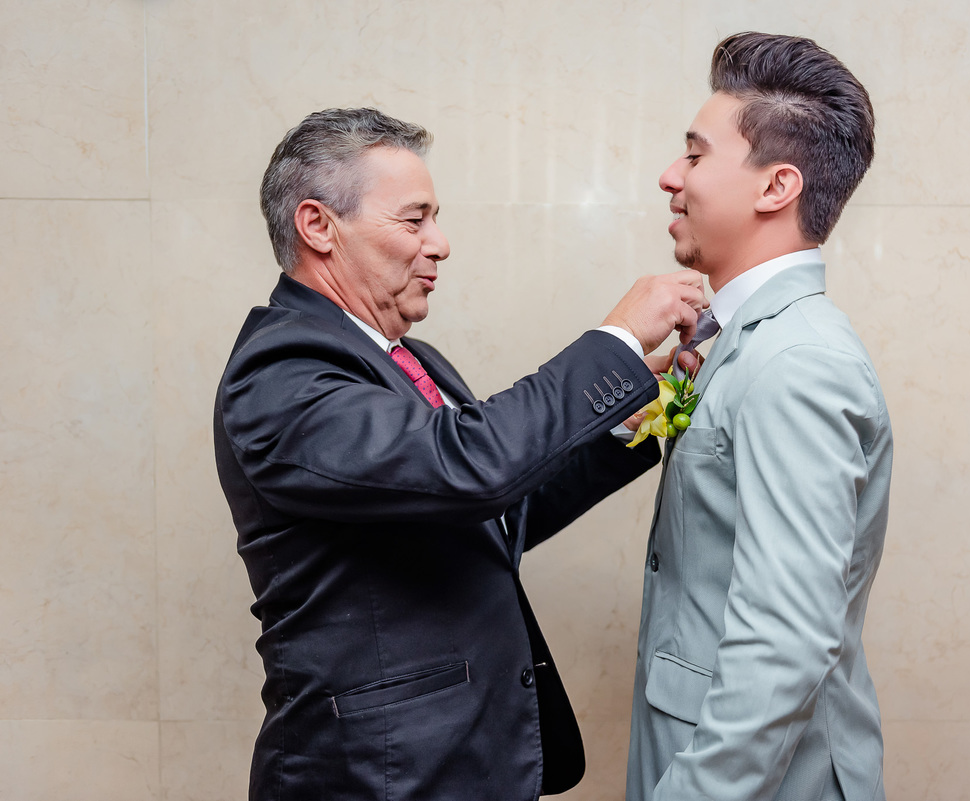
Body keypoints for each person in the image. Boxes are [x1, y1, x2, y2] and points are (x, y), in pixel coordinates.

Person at [213, 107, 706, 801]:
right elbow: (469, 464)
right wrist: (617, 342)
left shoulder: (412, 359)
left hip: (466, 757)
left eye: (435, 219)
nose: (440, 244)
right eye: (414, 220)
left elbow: (493, 506)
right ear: (318, 226)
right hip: (379, 775)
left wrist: (625, 420)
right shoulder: (280, 373)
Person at [626, 33, 893, 801]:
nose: (670, 175)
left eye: (695, 154)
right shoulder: (745, 340)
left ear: (777, 186)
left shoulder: (797, 362)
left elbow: (784, 640)